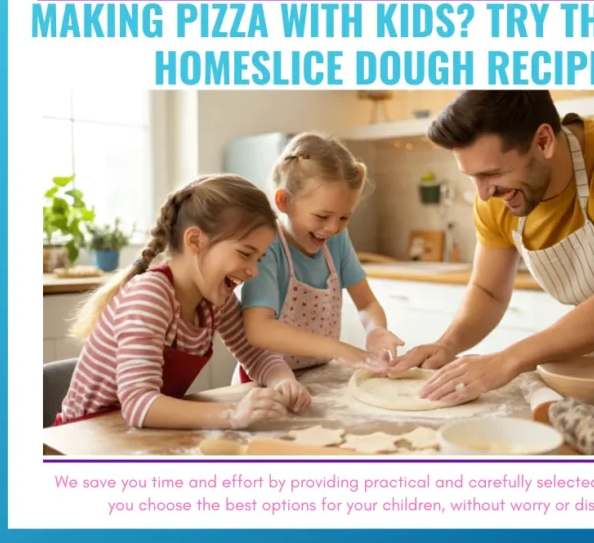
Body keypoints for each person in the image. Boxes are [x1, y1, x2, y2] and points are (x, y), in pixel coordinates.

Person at [390, 90, 594, 403]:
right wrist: (448, 345)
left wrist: (506, 360)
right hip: (583, 360)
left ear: (543, 141)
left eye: (492, 173)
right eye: (472, 176)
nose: (484, 193)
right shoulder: (498, 194)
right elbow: (488, 290)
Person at [53, 174, 299, 430]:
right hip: (82, 441)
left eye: (257, 259)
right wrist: (232, 415)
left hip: (134, 435)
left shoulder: (215, 299)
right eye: (245, 254)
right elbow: (138, 403)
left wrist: (283, 382)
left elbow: (256, 354)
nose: (253, 271)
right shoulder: (151, 296)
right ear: (195, 241)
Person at [232, 132, 404, 395]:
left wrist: (376, 329)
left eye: (344, 217)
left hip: (315, 376)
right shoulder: (267, 246)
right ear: (284, 202)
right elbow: (258, 329)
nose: (333, 228)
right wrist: (339, 349)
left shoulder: (336, 240)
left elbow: (367, 302)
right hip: (264, 381)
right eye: (322, 215)